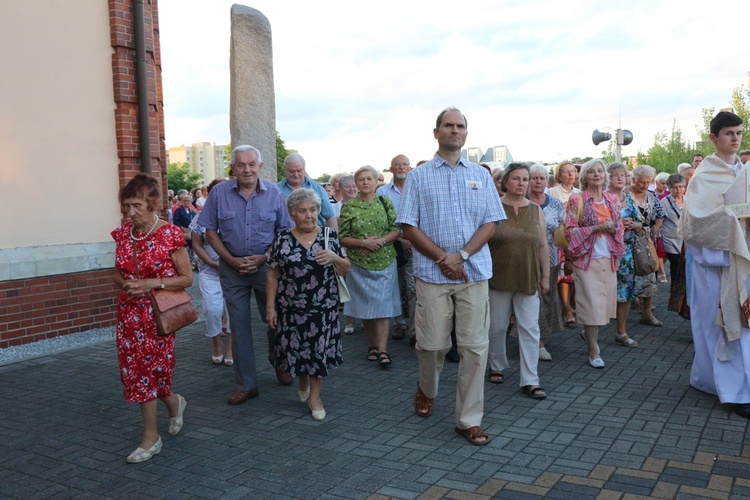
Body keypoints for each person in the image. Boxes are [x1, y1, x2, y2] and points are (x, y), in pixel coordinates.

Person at [397, 107, 506, 446]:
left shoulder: (481, 175)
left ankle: (467, 420)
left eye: (460, 126)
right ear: (436, 132)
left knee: (475, 348)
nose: (454, 131)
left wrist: (463, 255)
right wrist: (444, 258)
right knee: (432, 346)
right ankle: (427, 387)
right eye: (448, 125)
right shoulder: (419, 176)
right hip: (432, 274)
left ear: (466, 134)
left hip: (473, 273)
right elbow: (407, 226)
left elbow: (491, 221)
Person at [198, 145, 294, 405]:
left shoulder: (274, 193)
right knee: (239, 328)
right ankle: (247, 384)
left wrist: (264, 257)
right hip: (233, 270)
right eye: (241, 165)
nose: (247, 169)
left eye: (252, 164)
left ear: (260, 166)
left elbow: (285, 233)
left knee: (275, 320)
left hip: (268, 269)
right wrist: (229, 259)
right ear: (233, 168)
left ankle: (280, 362)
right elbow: (209, 231)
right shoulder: (219, 193)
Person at [111, 173, 193, 463]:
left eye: (136, 205)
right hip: (128, 314)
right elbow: (118, 271)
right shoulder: (123, 233)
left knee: (150, 372)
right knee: (134, 373)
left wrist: (150, 284)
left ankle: (151, 438)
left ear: (153, 203)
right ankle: (174, 401)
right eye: (126, 206)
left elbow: (186, 278)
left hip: (157, 316)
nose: (130, 212)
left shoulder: (169, 234)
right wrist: (127, 285)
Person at [680, 111, 750, 418]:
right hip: (716, 264)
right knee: (719, 325)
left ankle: (729, 384)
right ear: (713, 138)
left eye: (738, 132)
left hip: (744, 261)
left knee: (744, 326)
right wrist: (733, 218)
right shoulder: (705, 175)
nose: (735, 138)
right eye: (728, 133)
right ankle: (732, 392)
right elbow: (695, 222)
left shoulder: (745, 172)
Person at [266, 189, 349, 420]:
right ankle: (302, 380)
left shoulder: (329, 236)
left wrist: (335, 258)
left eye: (313, 210)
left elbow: (346, 268)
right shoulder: (283, 239)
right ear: (293, 214)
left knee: (318, 352)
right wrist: (270, 308)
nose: (309, 215)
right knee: (298, 351)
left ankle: (315, 396)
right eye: (303, 211)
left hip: (323, 308)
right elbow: (272, 275)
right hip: (291, 309)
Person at [487, 163, 549, 399]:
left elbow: (543, 245)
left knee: (530, 329)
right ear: (505, 182)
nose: (522, 183)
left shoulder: (535, 210)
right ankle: (496, 365)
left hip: (528, 276)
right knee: (497, 326)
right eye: (516, 179)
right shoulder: (492, 206)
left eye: (526, 179)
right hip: (497, 277)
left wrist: (545, 277)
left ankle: (530, 379)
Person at [339, 165, 401, 368]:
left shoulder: (385, 201)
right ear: (356, 183)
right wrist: (363, 243)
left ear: (376, 182)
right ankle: (373, 345)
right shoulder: (349, 206)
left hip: (385, 260)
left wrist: (380, 242)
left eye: (369, 179)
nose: (365, 182)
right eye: (361, 179)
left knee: (383, 307)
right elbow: (342, 237)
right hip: (359, 263)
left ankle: (383, 350)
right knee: (365, 307)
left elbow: (396, 229)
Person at [565, 159, 625, 368]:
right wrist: (595, 228)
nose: (597, 175)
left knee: (603, 305)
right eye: (592, 172)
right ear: (585, 177)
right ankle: (593, 349)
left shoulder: (612, 199)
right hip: (586, 260)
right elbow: (569, 230)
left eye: (600, 171)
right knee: (591, 305)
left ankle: (588, 334)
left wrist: (612, 229)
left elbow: (620, 228)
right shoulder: (576, 200)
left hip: (609, 258)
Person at [190, 178, 233, 366]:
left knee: (233, 311)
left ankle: (230, 346)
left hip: (233, 272)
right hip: (209, 272)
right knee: (212, 310)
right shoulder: (201, 216)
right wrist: (210, 262)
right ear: (210, 193)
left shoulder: (235, 213)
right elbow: (196, 243)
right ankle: (217, 343)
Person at [526, 163, 565, 360]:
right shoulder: (522, 203)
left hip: (551, 257)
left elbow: (563, 229)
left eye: (542, 178)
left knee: (548, 297)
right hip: (526, 259)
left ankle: (541, 335)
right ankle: (538, 343)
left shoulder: (556, 204)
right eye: (534, 178)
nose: (538, 181)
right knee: (533, 299)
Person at [376, 154, 416, 343]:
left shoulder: (417, 189)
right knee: (393, 288)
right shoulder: (382, 193)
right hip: (390, 246)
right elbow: (379, 222)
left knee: (413, 289)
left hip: (415, 246)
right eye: (397, 165)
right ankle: (399, 324)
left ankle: (414, 329)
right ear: (390, 169)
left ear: (410, 168)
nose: (401, 167)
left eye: (404, 164)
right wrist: (400, 239)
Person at [607, 161, 644, 348]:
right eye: (615, 175)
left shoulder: (629, 199)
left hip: (627, 253)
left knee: (626, 293)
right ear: (608, 178)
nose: (621, 178)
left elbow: (640, 224)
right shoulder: (603, 198)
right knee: (605, 292)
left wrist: (633, 225)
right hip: (606, 253)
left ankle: (621, 332)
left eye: (623, 174)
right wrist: (620, 223)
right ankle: (592, 327)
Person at [628, 165, 666, 325]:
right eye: (641, 182)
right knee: (628, 277)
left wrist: (655, 229)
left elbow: (660, 214)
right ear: (633, 180)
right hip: (627, 241)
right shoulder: (625, 195)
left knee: (649, 274)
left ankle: (647, 313)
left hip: (645, 242)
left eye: (647, 182)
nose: (644, 185)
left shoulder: (651, 196)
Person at [548, 161, 581, 325]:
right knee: (563, 275)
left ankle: (572, 303)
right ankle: (566, 308)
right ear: (559, 175)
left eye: (573, 171)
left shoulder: (579, 192)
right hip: (560, 237)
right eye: (566, 172)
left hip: (576, 238)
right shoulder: (552, 191)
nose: (570, 174)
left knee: (575, 273)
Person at [277, 153, 337, 229]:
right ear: (285, 170)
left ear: (304, 169)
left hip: (315, 236)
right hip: (286, 237)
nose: (296, 174)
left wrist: (333, 238)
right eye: (291, 171)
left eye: (299, 170)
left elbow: (330, 216)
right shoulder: (276, 190)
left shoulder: (317, 188)